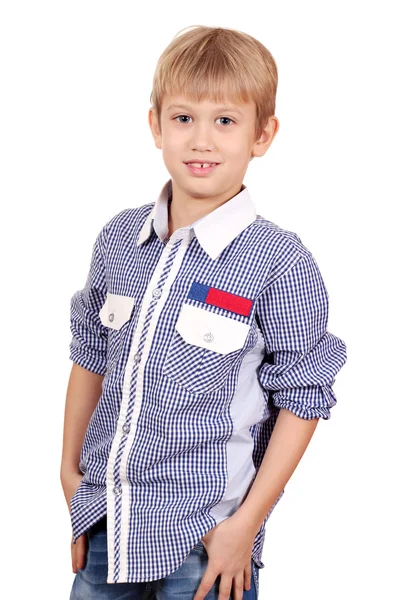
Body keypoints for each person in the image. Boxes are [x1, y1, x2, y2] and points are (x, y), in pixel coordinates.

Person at [61, 24, 347, 600]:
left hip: (207, 541)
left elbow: (303, 398)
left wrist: (245, 528)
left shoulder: (278, 261)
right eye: (184, 118)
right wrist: (69, 476)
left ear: (262, 135)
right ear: (155, 126)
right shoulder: (120, 239)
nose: (201, 141)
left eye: (225, 120)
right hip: (107, 524)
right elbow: (89, 355)